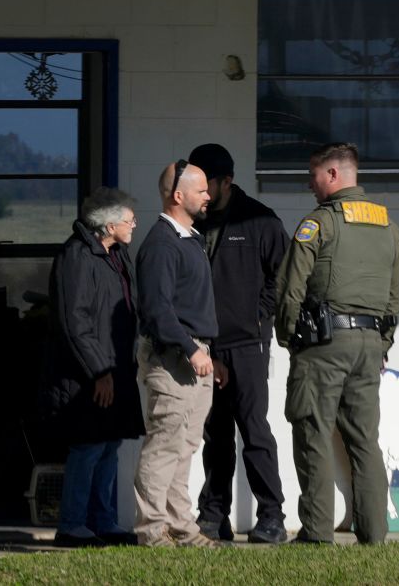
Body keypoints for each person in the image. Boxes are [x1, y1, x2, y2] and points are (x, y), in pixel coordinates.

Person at [275, 142, 399, 545]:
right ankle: (374, 535)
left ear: (333, 174)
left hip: (324, 344)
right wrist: (382, 345)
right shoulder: (389, 227)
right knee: (364, 440)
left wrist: (288, 336)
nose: (309, 184)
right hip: (369, 346)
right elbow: (394, 299)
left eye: (313, 174)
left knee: (313, 431)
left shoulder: (320, 223)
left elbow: (290, 286)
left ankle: (316, 535)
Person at [187, 143, 289, 544]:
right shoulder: (193, 222)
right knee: (215, 434)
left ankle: (272, 516)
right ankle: (213, 515)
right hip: (205, 347)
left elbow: (283, 278)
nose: (202, 193)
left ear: (226, 180)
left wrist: (258, 317)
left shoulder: (260, 221)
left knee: (254, 432)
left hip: (248, 344)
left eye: (206, 183)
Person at [43, 187, 145, 547]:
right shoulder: (78, 256)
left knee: (109, 446)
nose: (134, 223)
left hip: (116, 370)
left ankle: (103, 522)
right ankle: (72, 525)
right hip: (87, 375)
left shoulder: (115, 256)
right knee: (87, 447)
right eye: (129, 217)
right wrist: (100, 371)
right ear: (109, 222)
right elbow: (75, 321)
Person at [132, 160, 221, 548]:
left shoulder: (189, 239)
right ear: (177, 195)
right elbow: (157, 309)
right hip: (173, 359)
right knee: (164, 445)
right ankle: (151, 532)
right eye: (201, 189)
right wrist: (190, 349)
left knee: (184, 447)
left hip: (194, 356)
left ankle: (180, 527)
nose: (209, 195)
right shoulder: (161, 244)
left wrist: (205, 352)